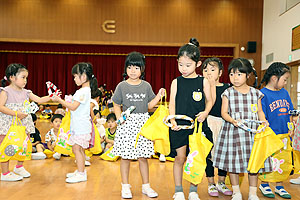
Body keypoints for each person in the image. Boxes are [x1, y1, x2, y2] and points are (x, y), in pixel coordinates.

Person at [213, 58, 270, 200]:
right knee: (233, 164)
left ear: (248, 74)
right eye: (232, 74)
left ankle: (252, 193)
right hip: (233, 133)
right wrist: (233, 120)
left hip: (251, 134)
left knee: (254, 162)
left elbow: (260, 112)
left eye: (239, 74)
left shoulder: (256, 93)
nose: (235, 78)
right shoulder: (228, 92)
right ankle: (236, 192)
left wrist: (263, 121)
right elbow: (224, 113)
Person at [111, 51, 165, 199]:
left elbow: (148, 106)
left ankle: (146, 186)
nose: (133, 70)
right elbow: (116, 103)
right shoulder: (121, 86)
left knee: (143, 157)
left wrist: (159, 96)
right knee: (125, 157)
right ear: (125, 69)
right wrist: (119, 118)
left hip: (143, 124)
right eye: (129, 67)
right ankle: (125, 186)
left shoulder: (146, 86)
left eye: (136, 67)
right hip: (127, 124)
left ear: (142, 69)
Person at [169, 38, 213, 200]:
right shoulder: (176, 82)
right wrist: (172, 120)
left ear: (198, 64)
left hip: (198, 126)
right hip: (179, 126)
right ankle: (178, 190)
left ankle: (193, 190)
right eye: (180, 64)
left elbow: (209, 101)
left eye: (188, 65)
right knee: (180, 158)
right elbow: (172, 103)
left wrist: (205, 112)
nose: (183, 68)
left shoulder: (203, 81)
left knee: (196, 158)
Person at [0, 63, 51, 181]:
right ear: (12, 77)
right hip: (8, 125)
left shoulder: (26, 92)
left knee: (23, 144)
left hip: (23, 124)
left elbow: (39, 99)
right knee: (6, 146)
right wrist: (16, 113)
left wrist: (51, 97)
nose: (25, 80)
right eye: (23, 77)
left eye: (26, 78)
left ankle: (19, 166)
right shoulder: (5, 91)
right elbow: (1, 107)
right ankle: (5, 173)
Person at [52, 62, 98, 183]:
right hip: (80, 125)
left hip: (81, 126)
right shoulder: (85, 90)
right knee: (79, 149)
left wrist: (59, 100)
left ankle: (82, 173)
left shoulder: (82, 91)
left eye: (75, 76)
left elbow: (73, 107)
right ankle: (80, 171)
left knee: (77, 149)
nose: (74, 78)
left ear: (83, 77)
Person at [258, 62, 294, 199]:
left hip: (284, 134)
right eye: (284, 79)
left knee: (282, 160)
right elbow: (261, 115)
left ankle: (279, 185)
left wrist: (291, 127)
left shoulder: (284, 93)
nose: (285, 83)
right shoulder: (263, 94)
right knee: (268, 159)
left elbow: (290, 112)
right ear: (274, 78)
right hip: (270, 135)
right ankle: (265, 184)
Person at [201, 57, 233, 197]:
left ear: (220, 73)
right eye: (206, 70)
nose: (208, 73)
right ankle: (210, 183)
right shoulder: (201, 86)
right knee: (208, 154)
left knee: (223, 154)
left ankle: (221, 181)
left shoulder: (227, 88)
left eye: (212, 70)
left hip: (223, 123)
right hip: (207, 123)